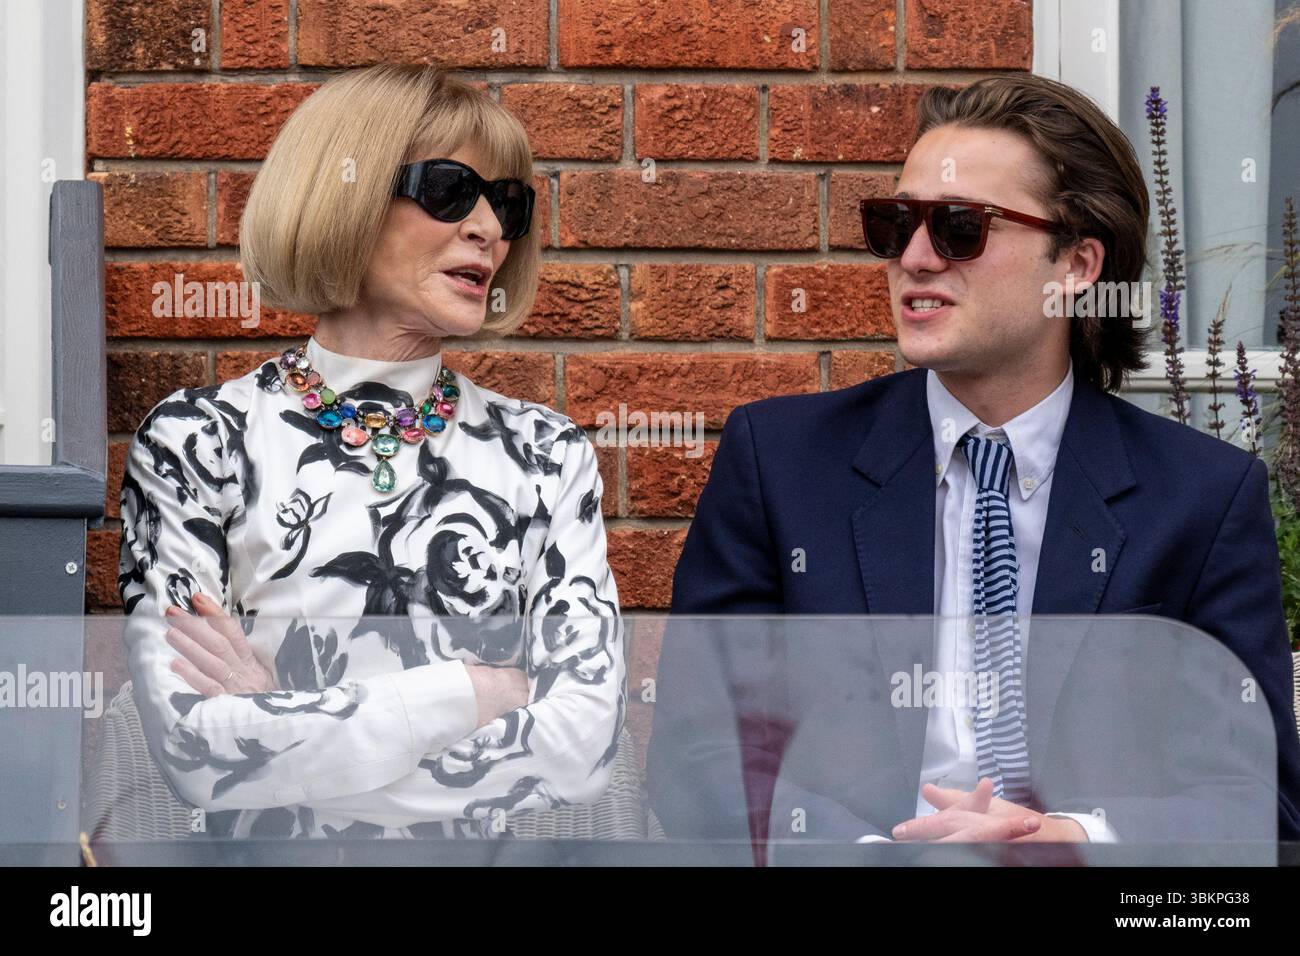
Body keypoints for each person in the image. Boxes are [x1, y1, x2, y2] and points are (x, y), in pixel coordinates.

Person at [648, 74, 1300, 858]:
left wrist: (1064, 840)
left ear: (1078, 265)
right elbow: (698, 756)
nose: (915, 258)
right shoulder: (780, 464)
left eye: (960, 227)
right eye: (895, 223)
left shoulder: (1200, 498)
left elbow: (1256, 803)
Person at [117, 65, 625, 840]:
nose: (488, 225)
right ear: (343, 197)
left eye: (508, 202)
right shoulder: (199, 440)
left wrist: (270, 713)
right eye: (451, 189)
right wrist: (476, 691)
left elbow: (584, 750)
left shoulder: (545, 455)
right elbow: (195, 752)